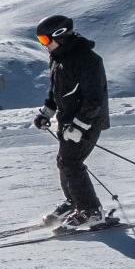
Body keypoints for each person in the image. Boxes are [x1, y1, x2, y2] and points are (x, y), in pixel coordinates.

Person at [33, 14, 113, 230]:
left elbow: (94, 100)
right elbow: (56, 93)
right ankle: (75, 202)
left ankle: (91, 211)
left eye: (45, 39)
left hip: (89, 121)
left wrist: (79, 125)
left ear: (60, 35)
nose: (44, 44)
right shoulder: (58, 58)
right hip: (68, 122)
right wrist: (46, 113)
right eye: (41, 40)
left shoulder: (88, 60)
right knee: (64, 161)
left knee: (71, 162)